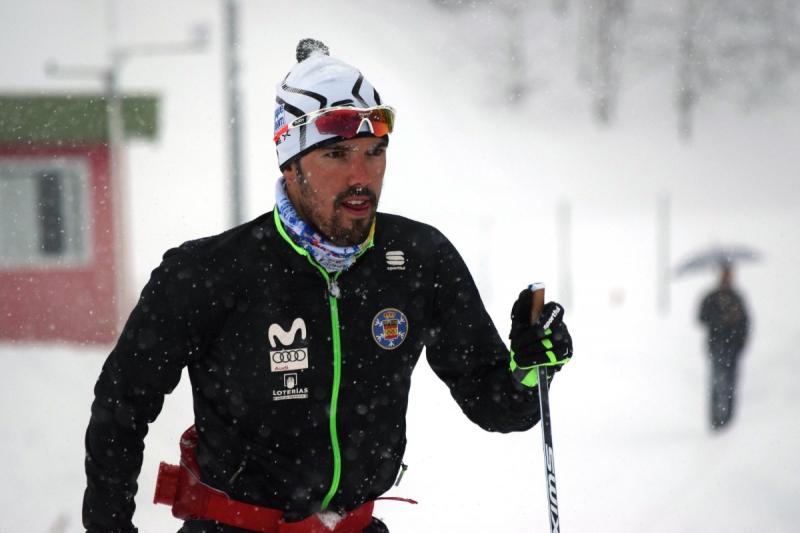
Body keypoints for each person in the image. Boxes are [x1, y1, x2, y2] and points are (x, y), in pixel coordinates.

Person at [82, 39, 573, 533]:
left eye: (374, 152)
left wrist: (531, 367)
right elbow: (120, 406)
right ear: (289, 163)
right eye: (338, 154)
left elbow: (499, 405)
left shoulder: (420, 260)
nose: (362, 176)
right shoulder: (209, 272)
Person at [698, 263, 749, 430]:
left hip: (733, 348)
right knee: (718, 382)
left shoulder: (737, 298)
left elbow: (745, 323)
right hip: (717, 347)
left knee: (731, 383)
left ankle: (728, 419)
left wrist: (740, 342)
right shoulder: (712, 297)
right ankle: (716, 419)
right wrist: (721, 318)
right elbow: (702, 317)